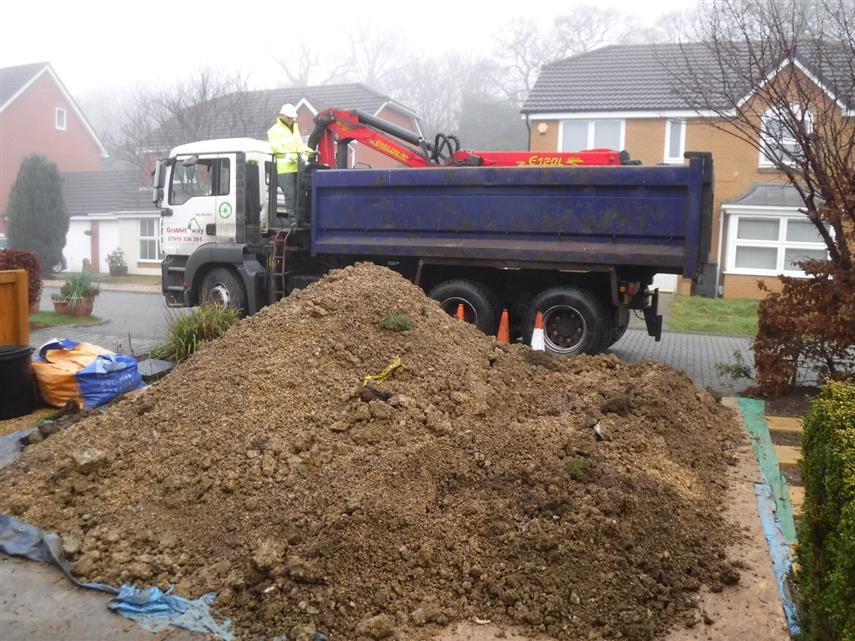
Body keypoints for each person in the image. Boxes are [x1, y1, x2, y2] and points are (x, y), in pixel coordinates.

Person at [267, 103, 310, 225]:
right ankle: (293, 220)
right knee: (290, 194)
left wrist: (308, 152)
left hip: (297, 166)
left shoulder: (294, 129)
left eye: (293, 118)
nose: (292, 120)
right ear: (282, 116)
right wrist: (291, 155)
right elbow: (277, 148)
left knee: (300, 193)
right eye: (289, 118)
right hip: (284, 168)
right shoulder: (274, 131)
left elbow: (300, 145)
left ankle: (300, 219)